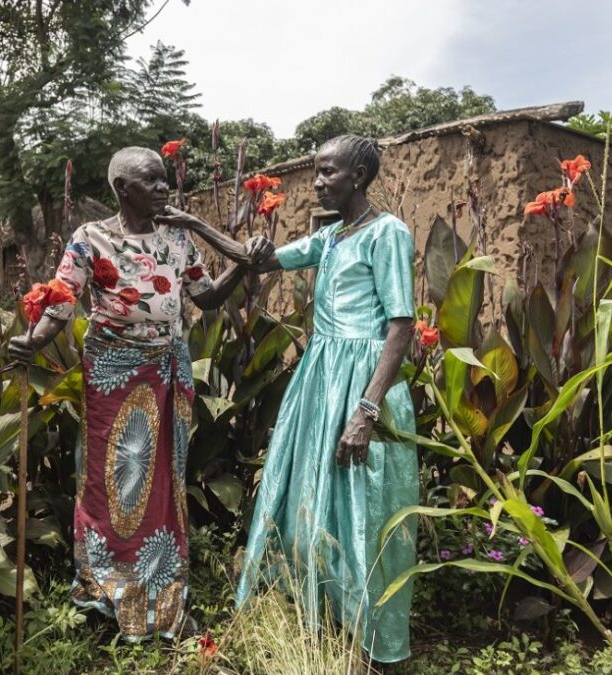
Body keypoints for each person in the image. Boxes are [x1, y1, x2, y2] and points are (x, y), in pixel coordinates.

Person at [162, 134, 419, 663]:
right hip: (322, 378)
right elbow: (256, 261)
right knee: (316, 494)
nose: (317, 182)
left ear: (359, 177)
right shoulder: (332, 237)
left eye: (328, 172)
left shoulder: (386, 232)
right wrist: (192, 223)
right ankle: (325, 620)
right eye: (316, 172)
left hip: (361, 381)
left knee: (364, 502)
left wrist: (367, 409)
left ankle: (370, 637)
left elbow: (401, 325)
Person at [8, 146, 248, 641]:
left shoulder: (177, 237)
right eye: (151, 181)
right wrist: (32, 342)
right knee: (115, 476)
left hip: (168, 370)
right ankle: (106, 588)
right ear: (122, 188)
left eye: (164, 180)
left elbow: (205, 297)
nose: (163, 189)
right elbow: (61, 302)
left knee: (164, 478)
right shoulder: (90, 238)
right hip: (114, 373)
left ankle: (157, 584)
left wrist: (242, 268)